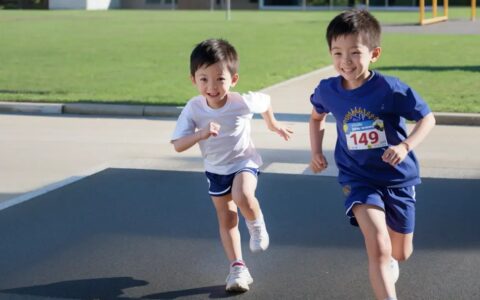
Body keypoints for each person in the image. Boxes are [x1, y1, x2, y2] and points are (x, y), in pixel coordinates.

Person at [309, 9, 435, 300]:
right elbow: (316, 118)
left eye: (354, 53)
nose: (345, 62)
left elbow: (427, 118)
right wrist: (316, 151)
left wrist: (405, 147)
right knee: (377, 243)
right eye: (337, 53)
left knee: (400, 252)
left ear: (374, 53)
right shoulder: (328, 90)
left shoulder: (389, 89)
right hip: (358, 178)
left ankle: (391, 259)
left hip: (397, 177)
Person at [171, 38, 293, 292]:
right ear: (193, 79)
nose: (212, 87)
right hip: (216, 170)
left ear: (233, 79)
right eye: (204, 79)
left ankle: (257, 225)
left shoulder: (241, 102)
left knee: (243, 194)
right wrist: (200, 134)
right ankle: (238, 268)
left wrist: (272, 124)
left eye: (220, 79)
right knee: (227, 219)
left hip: (243, 161)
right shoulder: (193, 108)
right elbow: (178, 145)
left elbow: (266, 101)